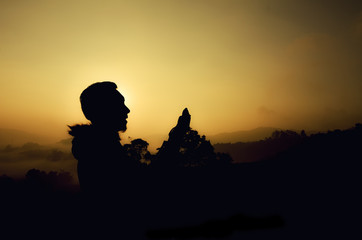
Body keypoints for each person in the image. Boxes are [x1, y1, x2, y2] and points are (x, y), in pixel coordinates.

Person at [68, 81, 134, 197]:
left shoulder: (93, 147)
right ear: (103, 110)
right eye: (119, 105)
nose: (127, 110)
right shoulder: (103, 152)